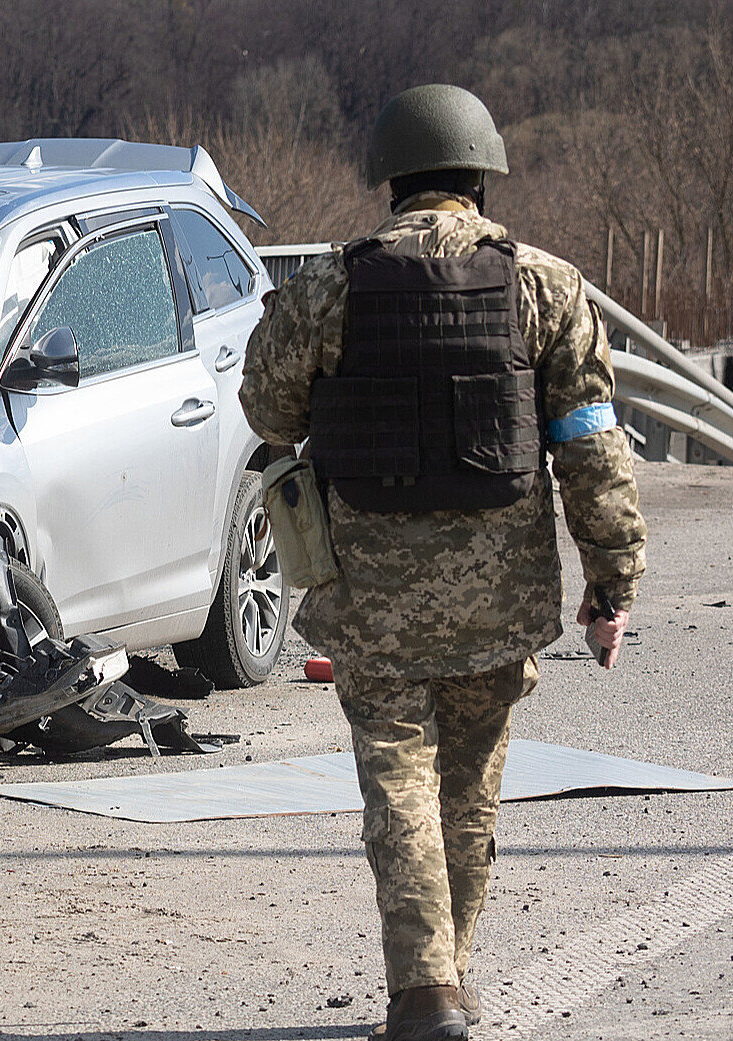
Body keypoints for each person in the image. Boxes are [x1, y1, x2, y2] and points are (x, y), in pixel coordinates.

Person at [238, 84, 647, 1041]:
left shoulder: (328, 289)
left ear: (392, 177)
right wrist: (611, 582)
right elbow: (591, 444)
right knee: (467, 793)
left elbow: (268, 413)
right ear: (478, 172)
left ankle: (425, 994)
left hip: (369, 599)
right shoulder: (545, 285)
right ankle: (443, 984)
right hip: (497, 599)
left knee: (398, 786)